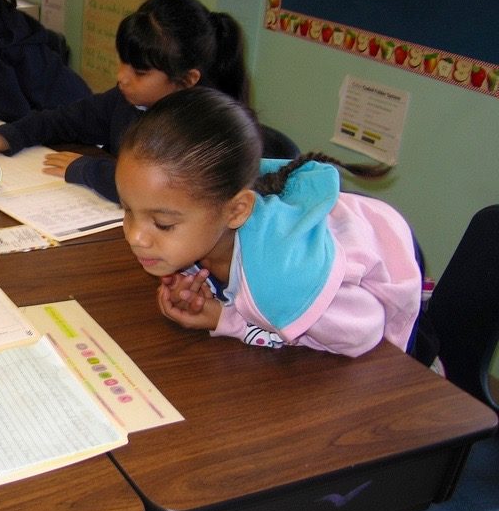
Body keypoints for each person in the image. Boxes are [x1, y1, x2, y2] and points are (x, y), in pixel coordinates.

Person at [116, 87, 421, 358]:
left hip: (394, 303)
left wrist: (228, 320)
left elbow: (364, 333)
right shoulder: (212, 226)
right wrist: (204, 289)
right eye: (127, 209)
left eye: (163, 224)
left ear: (236, 211)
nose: (135, 236)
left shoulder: (281, 281)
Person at [0, 0, 293, 202]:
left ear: (188, 80)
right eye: (123, 62)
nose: (121, 77)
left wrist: (87, 169)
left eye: (139, 72)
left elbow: (158, 191)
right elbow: (64, 118)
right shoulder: (127, 101)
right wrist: (3, 137)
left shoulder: (205, 133)